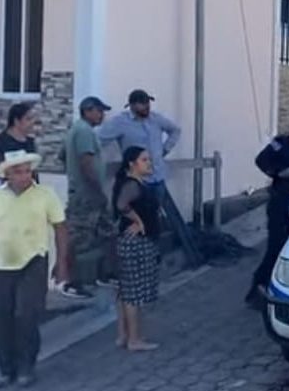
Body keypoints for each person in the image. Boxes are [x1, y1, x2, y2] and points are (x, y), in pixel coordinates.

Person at [98, 90, 200, 267]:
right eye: (142, 103)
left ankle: (153, 256)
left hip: (157, 177)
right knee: (132, 219)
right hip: (136, 181)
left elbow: (175, 130)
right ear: (132, 105)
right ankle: (129, 261)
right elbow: (99, 138)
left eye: (148, 103)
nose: (146, 106)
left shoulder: (155, 119)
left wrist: (164, 150)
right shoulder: (121, 123)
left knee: (153, 219)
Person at [0, 150, 70, 387]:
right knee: (3, 316)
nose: (24, 176)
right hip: (2, 265)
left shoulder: (45, 195)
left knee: (25, 314)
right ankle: (5, 366)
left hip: (33, 261)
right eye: (18, 172)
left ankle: (26, 364)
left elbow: (60, 228)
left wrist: (62, 263)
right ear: (7, 175)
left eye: (28, 170)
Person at [245, 107, 289, 305]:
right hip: (281, 200)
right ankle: (259, 288)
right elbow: (261, 160)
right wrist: (279, 172)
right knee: (277, 245)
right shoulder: (284, 142)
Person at [61, 96, 118, 300]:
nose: (102, 115)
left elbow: (62, 156)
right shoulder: (84, 131)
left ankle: (107, 273)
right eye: (99, 111)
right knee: (78, 238)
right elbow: (86, 164)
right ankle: (70, 282)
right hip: (86, 196)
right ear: (88, 111)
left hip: (87, 193)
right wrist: (96, 190)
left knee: (108, 232)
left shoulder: (76, 130)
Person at [112, 146, 161, 352]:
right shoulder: (132, 185)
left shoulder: (136, 183)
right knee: (133, 293)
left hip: (135, 242)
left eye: (149, 159)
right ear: (132, 164)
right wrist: (138, 221)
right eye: (144, 160)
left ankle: (124, 336)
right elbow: (121, 205)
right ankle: (134, 338)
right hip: (136, 244)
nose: (149, 163)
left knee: (125, 292)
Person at [0, 102, 38, 185]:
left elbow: (33, 171)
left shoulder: (30, 142)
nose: (32, 123)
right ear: (16, 121)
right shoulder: (1, 142)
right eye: (28, 119)